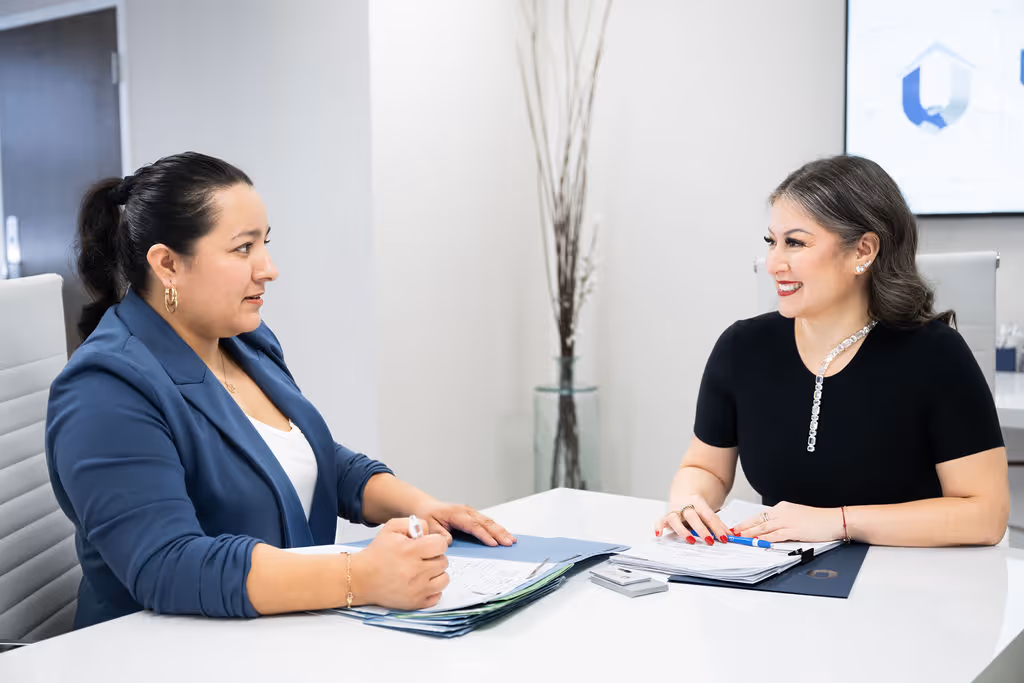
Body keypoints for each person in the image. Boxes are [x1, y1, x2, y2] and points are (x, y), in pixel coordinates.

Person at [46, 151, 515, 629]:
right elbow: (169, 566)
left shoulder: (244, 340)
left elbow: (311, 458)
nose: (268, 268)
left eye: (264, 244)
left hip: (282, 635)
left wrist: (422, 506)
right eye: (243, 248)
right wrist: (362, 576)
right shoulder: (104, 389)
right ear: (167, 263)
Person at [656, 155, 1009, 547]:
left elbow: (986, 514)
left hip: (908, 587)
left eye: (795, 242)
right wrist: (689, 500)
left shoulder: (937, 356)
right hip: (775, 583)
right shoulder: (742, 348)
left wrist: (838, 522)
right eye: (772, 242)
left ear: (863, 251)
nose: (773, 263)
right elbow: (707, 468)